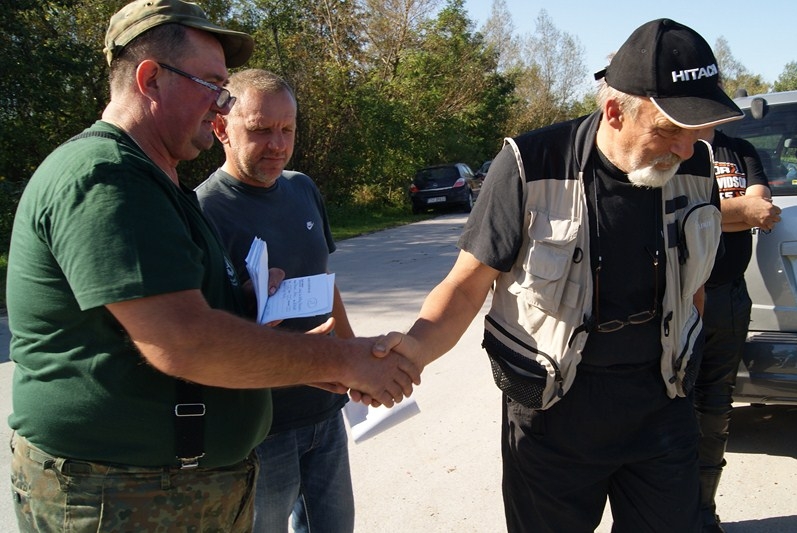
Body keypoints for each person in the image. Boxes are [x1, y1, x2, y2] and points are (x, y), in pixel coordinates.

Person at [5, 1, 418, 531]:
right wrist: (341, 359)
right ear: (150, 79)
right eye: (212, 86)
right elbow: (183, 341)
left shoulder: (156, 182)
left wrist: (246, 308)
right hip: (120, 495)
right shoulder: (107, 178)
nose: (220, 103)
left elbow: (176, 316)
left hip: (162, 490)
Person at [364, 19, 744, 532]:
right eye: (669, 130)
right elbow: (467, 285)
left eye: (696, 132)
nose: (685, 149)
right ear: (615, 112)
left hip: (661, 410)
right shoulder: (530, 164)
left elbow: (692, 286)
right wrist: (412, 350)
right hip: (552, 414)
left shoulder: (695, 167)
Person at [195, 69, 355, 533]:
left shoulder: (303, 188)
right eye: (261, 129)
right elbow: (197, 332)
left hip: (326, 411)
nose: (278, 145)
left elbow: (324, 281)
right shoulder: (202, 211)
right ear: (221, 127)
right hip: (261, 429)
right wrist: (244, 309)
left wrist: (353, 356)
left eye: (287, 129)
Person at [695, 129, 781, 532]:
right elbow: (673, 215)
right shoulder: (676, 146)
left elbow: (761, 210)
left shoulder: (740, 149)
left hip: (730, 296)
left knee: (715, 407)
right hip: (677, 296)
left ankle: (703, 514)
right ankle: (668, 512)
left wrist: (714, 213)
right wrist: (737, 210)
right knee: (669, 405)